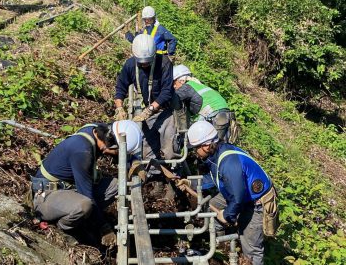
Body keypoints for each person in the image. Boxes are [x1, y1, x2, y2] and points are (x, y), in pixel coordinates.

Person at [177, 121, 279, 265]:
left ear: (206, 146)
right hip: (240, 193)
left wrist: (226, 215)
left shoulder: (228, 163)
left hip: (256, 203)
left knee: (251, 248)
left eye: (195, 148)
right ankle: (222, 246)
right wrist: (191, 183)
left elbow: (237, 197)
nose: (194, 152)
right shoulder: (216, 156)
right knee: (211, 206)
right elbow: (215, 179)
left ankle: (242, 252)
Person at [31, 121, 142, 244]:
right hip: (46, 196)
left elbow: (115, 146)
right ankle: (64, 228)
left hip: (67, 188)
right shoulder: (82, 152)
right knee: (84, 205)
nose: (119, 155)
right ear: (110, 145)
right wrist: (104, 228)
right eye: (120, 152)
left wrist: (134, 160)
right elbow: (86, 194)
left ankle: (85, 219)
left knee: (115, 185)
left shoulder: (95, 130)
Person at [114, 34, 177, 195]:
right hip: (146, 111)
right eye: (141, 63)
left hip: (164, 110)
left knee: (168, 145)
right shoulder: (130, 65)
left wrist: (152, 108)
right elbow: (120, 87)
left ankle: (169, 174)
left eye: (147, 63)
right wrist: (120, 108)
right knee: (148, 147)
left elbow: (167, 91)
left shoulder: (164, 63)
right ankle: (154, 179)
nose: (144, 65)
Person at [172, 64, 238, 143]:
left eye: (174, 83)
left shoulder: (186, 87)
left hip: (215, 116)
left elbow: (171, 100)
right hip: (226, 116)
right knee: (220, 147)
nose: (174, 86)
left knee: (210, 147)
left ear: (181, 80)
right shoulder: (199, 85)